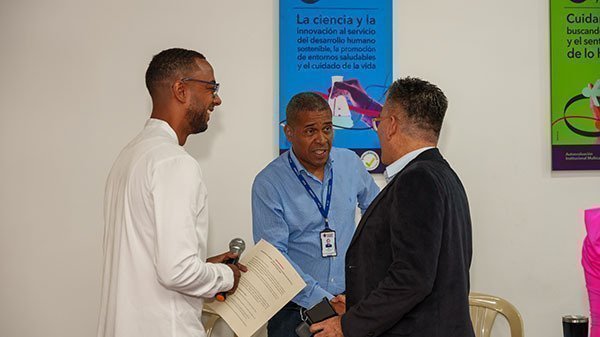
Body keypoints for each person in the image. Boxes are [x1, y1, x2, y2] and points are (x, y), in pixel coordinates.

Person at [97, 48, 246, 337]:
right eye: (211, 88)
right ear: (181, 90)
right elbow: (177, 271)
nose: (216, 99)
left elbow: (151, 259)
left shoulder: (130, 156)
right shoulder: (175, 163)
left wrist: (201, 265)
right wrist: (227, 276)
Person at [311, 77, 475, 337]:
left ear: (392, 125)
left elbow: (411, 279)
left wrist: (348, 325)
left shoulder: (417, 179)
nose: (377, 130)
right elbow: (415, 266)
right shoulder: (443, 175)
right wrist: (358, 304)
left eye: (379, 121)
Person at [252, 92, 380, 337]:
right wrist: (324, 301)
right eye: (310, 131)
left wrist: (364, 279)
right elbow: (274, 257)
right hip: (294, 311)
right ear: (289, 133)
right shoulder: (269, 183)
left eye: (327, 128)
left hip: (348, 303)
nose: (322, 139)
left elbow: (378, 216)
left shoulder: (349, 163)